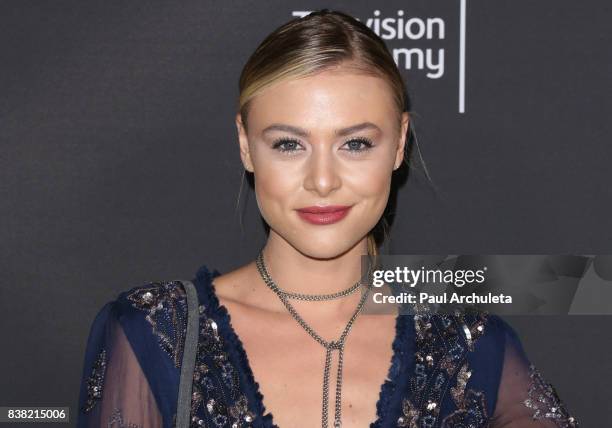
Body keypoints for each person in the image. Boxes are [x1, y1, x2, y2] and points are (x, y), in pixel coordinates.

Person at [77, 9, 579, 428]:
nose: (322, 180)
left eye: (355, 143)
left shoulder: (472, 348)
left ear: (399, 143)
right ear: (245, 145)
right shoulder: (156, 334)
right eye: (289, 144)